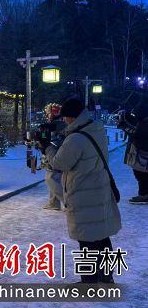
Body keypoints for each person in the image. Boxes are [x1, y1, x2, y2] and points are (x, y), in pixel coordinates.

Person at [44, 97, 121, 283]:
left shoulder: (76, 139)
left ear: (72, 117)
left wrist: (46, 147)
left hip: (83, 194)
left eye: (65, 117)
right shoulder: (96, 129)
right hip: (99, 190)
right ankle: (106, 277)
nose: (63, 120)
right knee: (102, 237)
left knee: (86, 240)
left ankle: (89, 282)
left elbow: (59, 163)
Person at [118, 99, 148, 204]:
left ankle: (144, 194)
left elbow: (136, 133)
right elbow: (135, 124)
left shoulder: (145, 123)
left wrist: (123, 125)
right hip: (141, 151)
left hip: (143, 152)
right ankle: (144, 193)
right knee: (140, 173)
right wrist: (126, 116)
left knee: (141, 173)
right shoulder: (143, 120)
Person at [40, 103, 66, 210]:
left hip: (54, 154)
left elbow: (55, 139)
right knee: (54, 178)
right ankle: (53, 202)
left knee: (51, 178)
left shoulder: (59, 125)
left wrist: (44, 141)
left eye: (49, 113)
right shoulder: (52, 124)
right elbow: (45, 138)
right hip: (51, 153)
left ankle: (67, 202)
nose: (48, 115)